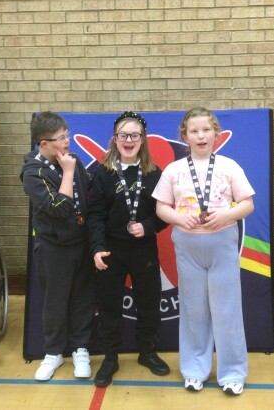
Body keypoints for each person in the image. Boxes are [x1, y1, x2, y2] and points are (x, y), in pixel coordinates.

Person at [152, 107, 255, 396]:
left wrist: (228, 215)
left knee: (227, 309)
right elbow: (161, 207)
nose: (200, 136)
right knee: (193, 309)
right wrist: (177, 218)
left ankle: (233, 372)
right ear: (184, 135)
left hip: (222, 244)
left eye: (206, 130)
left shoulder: (229, 166)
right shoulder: (173, 170)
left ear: (216, 134)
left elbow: (247, 204)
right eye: (194, 131)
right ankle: (194, 370)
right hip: (187, 246)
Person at [87, 111, 170, 387]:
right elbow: (95, 214)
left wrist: (147, 226)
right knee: (108, 306)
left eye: (135, 135)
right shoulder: (103, 173)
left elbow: (164, 213)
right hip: (111, 251)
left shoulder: (155, 174)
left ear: (143, 140)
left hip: (144, 251)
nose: (129, 140)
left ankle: (147, 352)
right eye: (123, 135)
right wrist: (98, 247)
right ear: (115, 139)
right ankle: (110, 358)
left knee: (149, 304)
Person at [20, 111, 95, 382]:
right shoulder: (33, 173)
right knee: (55, 301)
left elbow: (88, 193)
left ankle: (81, 349)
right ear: (44, 144)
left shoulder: (72, 160)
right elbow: (60, 208)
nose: (67, 142)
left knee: (82, 298)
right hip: (53, 248)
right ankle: (53, 352)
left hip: (81, 243)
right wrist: (68, 172)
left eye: (67, 135)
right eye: (61, 138)